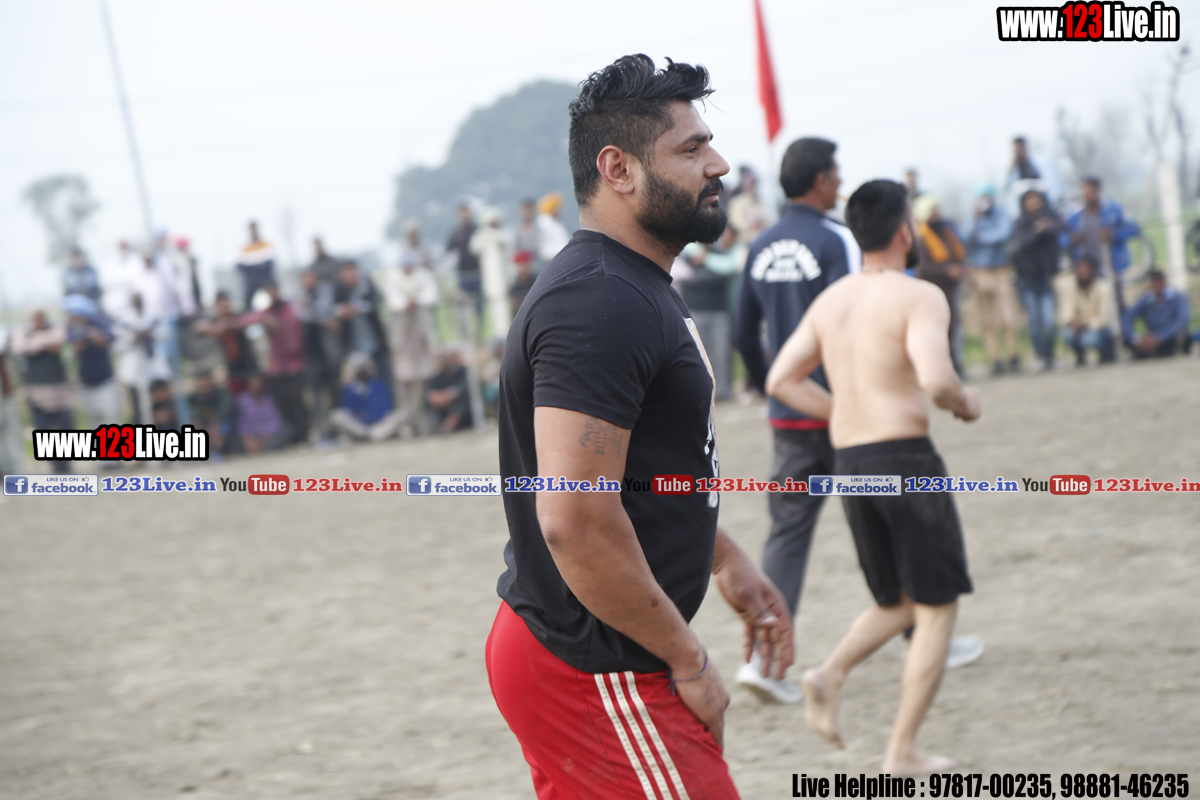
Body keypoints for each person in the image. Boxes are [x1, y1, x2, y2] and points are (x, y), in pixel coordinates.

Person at [489, 54, 793, 800]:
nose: (719, 165)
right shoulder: (599, 302)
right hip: (595, 662)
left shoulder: (633, 283)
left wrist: (722, 556)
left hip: (593, 647)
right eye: (691, 149)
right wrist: (689, 659)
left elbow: (637, 475)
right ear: (617, 169)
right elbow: (575, 518)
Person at [765, 179, 980, 775]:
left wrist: (843, 412)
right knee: (937, 606)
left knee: (902, 600)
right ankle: (901, 751)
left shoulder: (831, 301)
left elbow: (780, 380)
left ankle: (828, 673)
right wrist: (965, 403)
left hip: (853, 464)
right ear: (905, 231)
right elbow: (936, 380)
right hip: (905, 461)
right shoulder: (919, 295)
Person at [733, 135, 860, 703]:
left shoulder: (760, 245)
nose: (840, 182)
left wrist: (774, 387)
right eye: (836, 172)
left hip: (789, 417)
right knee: (889, 518)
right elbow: (854, 325)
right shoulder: (836, 239)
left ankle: (763, 664)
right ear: (821, 179)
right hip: (842, 412)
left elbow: (743, 333)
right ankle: (927, 633)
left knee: (786, 535)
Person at [241, 282, 308, 445]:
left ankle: (303, 436)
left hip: (295, 365)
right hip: (276, 369)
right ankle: (290, 437)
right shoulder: (265, 312)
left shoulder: (290, 308)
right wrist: (264, 319)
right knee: (282, 404)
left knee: (297, 401)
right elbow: (247, 319)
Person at [381, 244, 439, 432]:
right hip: (402, 337)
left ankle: (426, 418)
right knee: (404, 379)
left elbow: (430, 295)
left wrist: (415, 300)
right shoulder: (393, 278)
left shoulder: (423, 276)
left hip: (421, 335)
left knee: (425, 377)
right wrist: (405, 303)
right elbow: (393, 300)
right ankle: (409, 418)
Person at [1062, 177, 1140, 315]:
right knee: (1092, 307)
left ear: (1098, 191)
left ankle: (1122, 327)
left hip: (1111, 266)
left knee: (1117, 303)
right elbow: (1061, 236)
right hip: (1086, 270)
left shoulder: (1114, 209)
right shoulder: (1075, 214)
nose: (1087, 195)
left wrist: (1113, 234)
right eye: (1084, 192)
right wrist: (1072, 239)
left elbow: (1134, 228)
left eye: (1090, 191)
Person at [964, 185, 1019, 375]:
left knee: (1008, 316)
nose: (984, 201)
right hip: (980, 273)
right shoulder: (973, 216)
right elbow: (965, 238)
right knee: (987, 320)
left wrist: (981, 236)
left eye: (987, 197)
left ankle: (1013, 355)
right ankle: (994, 358)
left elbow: (1002, 234)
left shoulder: (1002, 213)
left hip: (1000, 271)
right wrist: (975, 220)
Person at [11, 310, 73, 473]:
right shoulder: (24, 332)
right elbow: (19, 347)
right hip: (36, 390)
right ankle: (55, 465)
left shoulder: (55, 328)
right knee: (44, 429)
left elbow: (60, 339)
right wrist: (44, 341)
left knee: (65, 427)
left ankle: (65, 464)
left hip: (59, 387)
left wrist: (37, 341)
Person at [913, 194, 966, 376]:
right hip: (933, 290)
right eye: (932, 211)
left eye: (937, 210)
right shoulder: (921, 237)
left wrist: (959, 269)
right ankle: (941, 368)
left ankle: (955, 365)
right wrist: (945, 270)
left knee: (954, 328)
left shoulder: (946, 233)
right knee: (938, 330)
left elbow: (957, 254)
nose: (936, 214)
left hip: (950, 288)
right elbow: (922, 268)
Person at [1010, 190, 1064, 371]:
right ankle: (1040, 357)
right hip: (1027, 280)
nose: (1033, 205)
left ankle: (1050, 356)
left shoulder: (1051, 217)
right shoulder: (1020, 223)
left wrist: (1045, 227)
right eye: (1029, 201)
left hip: (1046, 279)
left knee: (1049, 321)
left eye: (1036, 201)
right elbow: (1021, 243)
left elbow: (1060, 227)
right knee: (1034, 321)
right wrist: (1037, 231)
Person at [296, 268, 341, 442]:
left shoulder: (325, 290)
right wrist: (323, 317)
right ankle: (320, 431)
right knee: (315, 396)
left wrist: (310, 305)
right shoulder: (297, 295)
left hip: (329, 354)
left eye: (310, 276)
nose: (308, 280)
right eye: (305, 277)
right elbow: (303, 315)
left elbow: (325, 309)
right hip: (310, 355)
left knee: (334, 393)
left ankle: (336, 430)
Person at [65, 295, 121, 429]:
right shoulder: (72, 328)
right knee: (94, 423)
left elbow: (111, 337)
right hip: (86, 383)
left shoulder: (98, 323)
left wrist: (96, 336)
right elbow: (71, 344)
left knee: (112, 421)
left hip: (105, 382)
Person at [334, 260, 391, 392]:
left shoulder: (367, 286)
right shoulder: (338, 290)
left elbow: (377, 301)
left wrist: (359, 308)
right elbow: (331, 310)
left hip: (374, 342)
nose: (351, 274)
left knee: (383, 376)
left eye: (353, 271)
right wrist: (341, 312)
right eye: (347, 272)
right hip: (353, 346)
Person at [113, 292, 167, 424]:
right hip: (134, 370)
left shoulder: (152, 316)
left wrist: (150, 334)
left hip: (153, 368)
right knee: (138, 408)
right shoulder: (125, 320)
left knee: (159, 405)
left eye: (139, 300)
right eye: (135, 300)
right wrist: (135, 338)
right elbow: (118, 344)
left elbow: (165, 334)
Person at [329, 352, 406, 441]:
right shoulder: (348, 389)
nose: (361, 371)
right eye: (358, 368)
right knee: (337, 415)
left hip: (378, 425)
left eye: (363, 368)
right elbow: (348, 410)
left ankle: (372, 436)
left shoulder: (378, 385)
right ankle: (365, 436)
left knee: (401, 415)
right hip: (359, 426)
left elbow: (386, 408)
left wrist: (372, 417)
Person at [1057, 255, 1116, 365]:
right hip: (1079, 327)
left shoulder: (1103, 287)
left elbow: (1104, 318)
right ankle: (1080, 356)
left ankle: (1105, 352)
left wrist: (1086, 324)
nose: (1082, 273)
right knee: (1067, 334)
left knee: (1089, 339)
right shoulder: (1071, 288)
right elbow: (1066, 312)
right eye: (1080, 270)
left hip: (1097, 328)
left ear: (1092, 271)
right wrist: (1072, 322)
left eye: (1085, 270)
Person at [196, 291, 257, 397]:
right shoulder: (214, 321)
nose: (224, 304)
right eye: (221, 301)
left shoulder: (237, 317)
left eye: (226, 301)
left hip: (246, 369)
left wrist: (225, 325)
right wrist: (215, 328)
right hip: (229, 372)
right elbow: (199, 328)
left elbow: (247, 321)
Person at [1122, 269, 1191, 358]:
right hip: (1152, 337)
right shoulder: (1145, 299)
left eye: (1158, 281)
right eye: (1153, 282)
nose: (1156, 285)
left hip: (1170, 337)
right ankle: (1147, 348)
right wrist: (1136, 339)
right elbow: (1127, 319)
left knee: (1182, 336)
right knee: (1127, 340)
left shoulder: (1178, 297)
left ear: (1164, 282)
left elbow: (1182, 321)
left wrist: (1159, 337)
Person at [470, 207, 515, 340]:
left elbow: (507, 241)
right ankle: (498, 337)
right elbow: (474, 247)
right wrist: (485, 234)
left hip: (503, 280)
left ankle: (507, 336)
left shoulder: (501, 234)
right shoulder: (481, 236)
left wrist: (492, 234)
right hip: (490, 280)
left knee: (504, 309)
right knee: (494, 309)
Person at [1004, 135, 1064, 215]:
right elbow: (1008, 189)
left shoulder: (1042, 161)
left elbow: (1052, 183)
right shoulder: (1014, 168)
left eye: (1018, 148)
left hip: (1046, 204)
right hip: (1025, 210)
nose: (1017, 151)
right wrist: (1010, 170)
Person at [424, 349, 473, 434]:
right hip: (442, 405)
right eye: (449, 358)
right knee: (430, 403)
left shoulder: (465, 371)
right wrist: (435, 397)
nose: (451, 361)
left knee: (462, 400)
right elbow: (429, 390)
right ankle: (437, 426)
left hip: (462, 409)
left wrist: (450, 394)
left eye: (453, 358)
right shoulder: (439, 373)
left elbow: (466, 386)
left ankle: (450, 424)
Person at [236, 373, 287, 454]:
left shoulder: (269, 399)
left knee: (286, 431)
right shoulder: (242, 401)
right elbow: (240, 423)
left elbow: (276, 421)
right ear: (249, 385)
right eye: (254, 385)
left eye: (259, 385)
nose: (257, 387)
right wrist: (248, 438)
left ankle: (264, 449)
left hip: (267, 437)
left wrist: (265, 438)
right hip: (249, 437)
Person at [446, 204, 483, 315]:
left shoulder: (477, 230)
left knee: (478, 304)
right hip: (463, 273)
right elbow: (449, 249)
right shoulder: (456, 232)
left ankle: (479, 324)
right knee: (462, 304)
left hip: (477, 271)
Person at [188, 371, 233, 455]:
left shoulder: (222, 394)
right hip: (204, 424)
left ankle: (220, 452)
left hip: (222, 422)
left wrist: (215, 422)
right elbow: (193, 413)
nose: (204, 383)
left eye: (206, 380)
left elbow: (225, 410)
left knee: (217, 430)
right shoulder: (193, 398)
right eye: (201, 381)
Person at [236, 221, 276, 309]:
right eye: (251, 229)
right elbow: (240, 266)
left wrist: (253, 266)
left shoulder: (266, 245)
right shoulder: (245, 248)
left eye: (254, 229)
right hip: (251, 285)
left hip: (265, 283)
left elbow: (269, 264)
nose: (253, 231)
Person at [727, 165, 769, 245]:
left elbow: (768, 222)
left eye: (754, 182)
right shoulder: (737, 202)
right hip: (745, 243)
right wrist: (753, 224)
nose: (753, 185)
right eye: (750, 182)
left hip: (763, 240)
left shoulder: (760, 201)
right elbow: (737, 223)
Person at [535, 190, 571, 265]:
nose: (558, 210)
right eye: (556, 208)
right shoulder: (544, 221)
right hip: (552, 257)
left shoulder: (553, 221)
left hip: (560, 256)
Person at [513, 198, 540, 271]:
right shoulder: (519, 227)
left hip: (537, 262)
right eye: (525, 209)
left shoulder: (539, 225)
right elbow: (516, 245)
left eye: (529, 209)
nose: (527, 212)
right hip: (523, 264)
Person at [508, 250, 536, 314]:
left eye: (525, 265)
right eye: (521, 265)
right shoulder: (514, 288)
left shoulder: (537, 283)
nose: (523, 268)